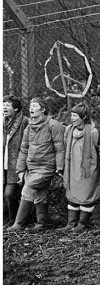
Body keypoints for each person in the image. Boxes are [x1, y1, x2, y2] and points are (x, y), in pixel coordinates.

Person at [8, 96, 65, 231]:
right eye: (31, 106)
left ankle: (18, 223)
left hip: (47, 167)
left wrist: (60, 167)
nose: (31, 108)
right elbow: (24, 149)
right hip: (32, 167)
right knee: (40, 193)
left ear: (43, 109)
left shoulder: (53, 125)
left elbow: (60, 148)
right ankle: (41, 224)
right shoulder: (30, 126)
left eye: (35, 106)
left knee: (27, 189)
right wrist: (20, 169)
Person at [60, 103, 100, 233]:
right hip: (72, 168)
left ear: (84, 117)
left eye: (75, 116)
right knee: (72, 194)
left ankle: (82, 223)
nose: (72, 118)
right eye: (72, 115)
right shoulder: (69, 130)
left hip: (88, 170)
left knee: (86, 195)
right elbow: (65, 145)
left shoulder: (93, 132)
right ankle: (71, 223)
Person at [3, 96, 29, 227]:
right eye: (3, 105)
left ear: (16, 108)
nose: (4, 107)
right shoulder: (3, 122)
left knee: (9, 194)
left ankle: (14, 220)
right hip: (4, 164)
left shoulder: (24, 121)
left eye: (7, 105)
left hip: (15, 164)